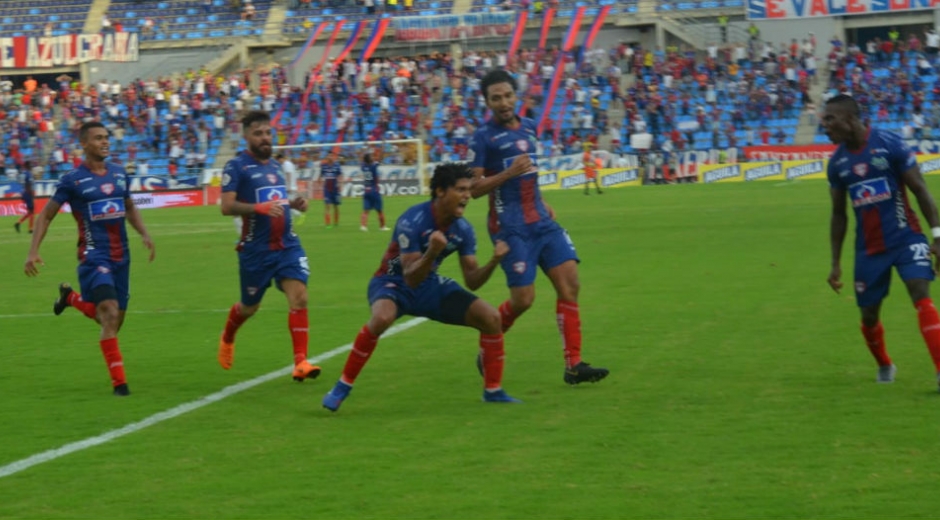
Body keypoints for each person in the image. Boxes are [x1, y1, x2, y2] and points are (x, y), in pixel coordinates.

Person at [322, 163, 521, 412]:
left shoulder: (463, 230)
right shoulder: (412, 220)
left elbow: (472, 280)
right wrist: (432, 253)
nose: (467, 196)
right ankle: (342, 387)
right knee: (382, 317)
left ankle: (493, 391)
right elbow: (409, 277)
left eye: (469, 190)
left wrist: (494, 261)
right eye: (460, 190)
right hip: (391, 282)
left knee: (491, 318)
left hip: (428, 285)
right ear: (440, 191)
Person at [468, 70, 609, 385]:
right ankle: (488, 340)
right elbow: (473, 189)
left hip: (541, 221)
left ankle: (574, 365)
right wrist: (506, 174)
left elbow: (528, 175)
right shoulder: (482, 138)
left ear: (516, 95)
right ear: (487, 102)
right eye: (496, 98)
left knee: (570, 282)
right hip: (509, 227)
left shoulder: (530, 127)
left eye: (507, 95)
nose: (503, 103)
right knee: (523, 300)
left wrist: (541, 201)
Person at [23, 121, 155, 396]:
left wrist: (144, 233)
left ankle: (70, 298)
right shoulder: (72, 180)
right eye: (98, 138)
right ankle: (120, 385)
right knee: (108, 313)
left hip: (122, 257)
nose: (105, 142)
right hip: (94, 256)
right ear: (84, 144)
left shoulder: (119, 174)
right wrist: (33, 250)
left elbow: (129, 206)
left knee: (113, 320)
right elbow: (46, 214)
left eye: (106, 137)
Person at [823, 94, 940, 387]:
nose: (825, 126)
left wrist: (937, 236)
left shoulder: (890, 144)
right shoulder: (837, 163)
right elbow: (839, 215)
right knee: (869, 315)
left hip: (905, 237)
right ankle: (885, 363)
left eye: (830, 119)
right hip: (869, 250)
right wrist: (835, 263)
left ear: (850, 119)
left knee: (920, 294)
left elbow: (921, 191)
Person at [217, 111, 320, 383]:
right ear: (247, 136)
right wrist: (256, 208)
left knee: (300, 296)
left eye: (267, 133)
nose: (264, 138)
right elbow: (226, 206)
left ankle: (300, 362)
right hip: (256, 250)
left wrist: (294, 203)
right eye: (258, 134)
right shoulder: (236, 167)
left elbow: (278, 200)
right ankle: (228, 336)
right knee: (249, 307)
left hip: (286, 245)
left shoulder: (275, 166)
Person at [359, 152, 389, 232]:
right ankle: (382, 226)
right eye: (371, 156)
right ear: (369, 159)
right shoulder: (373, 166)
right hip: (374, 190)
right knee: (379, 210)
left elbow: (362, 160)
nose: (373, 157)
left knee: (366, 210)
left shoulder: (363, 166)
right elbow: (380, 159)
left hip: (366, 190)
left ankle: (363, 226)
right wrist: (382, 148)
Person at [320, 151, 342, 228]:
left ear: (333, 157)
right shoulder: (324, 166)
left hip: (335, 188)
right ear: (327, 157)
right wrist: (319, 180)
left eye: (331, 156)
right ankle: (328, 224)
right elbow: (321, 175)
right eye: (329, 156)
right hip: (327, 188)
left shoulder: (337, 165)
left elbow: (340, 175)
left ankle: (336, 223)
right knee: (327, 205)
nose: (330, 157)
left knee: (336, 206)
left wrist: (340, 184)